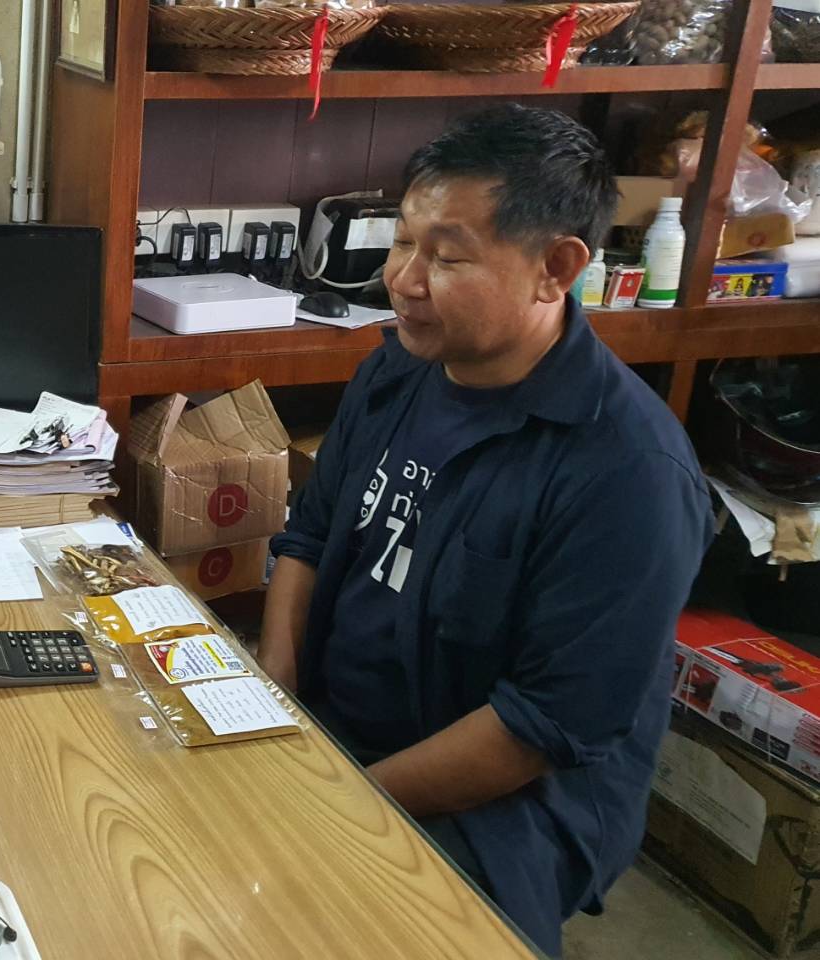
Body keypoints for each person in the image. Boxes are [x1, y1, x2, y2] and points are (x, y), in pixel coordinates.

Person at [258, 104, 712, 956]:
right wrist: (273, 701)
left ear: (556, 269)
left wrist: (338, 799)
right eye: (403, 241)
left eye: (447, 257)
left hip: (507, 804)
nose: (404, 280)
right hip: (336, 730)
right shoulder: (397, 370)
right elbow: (307, 541)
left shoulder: (629, 471)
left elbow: (542, 726)